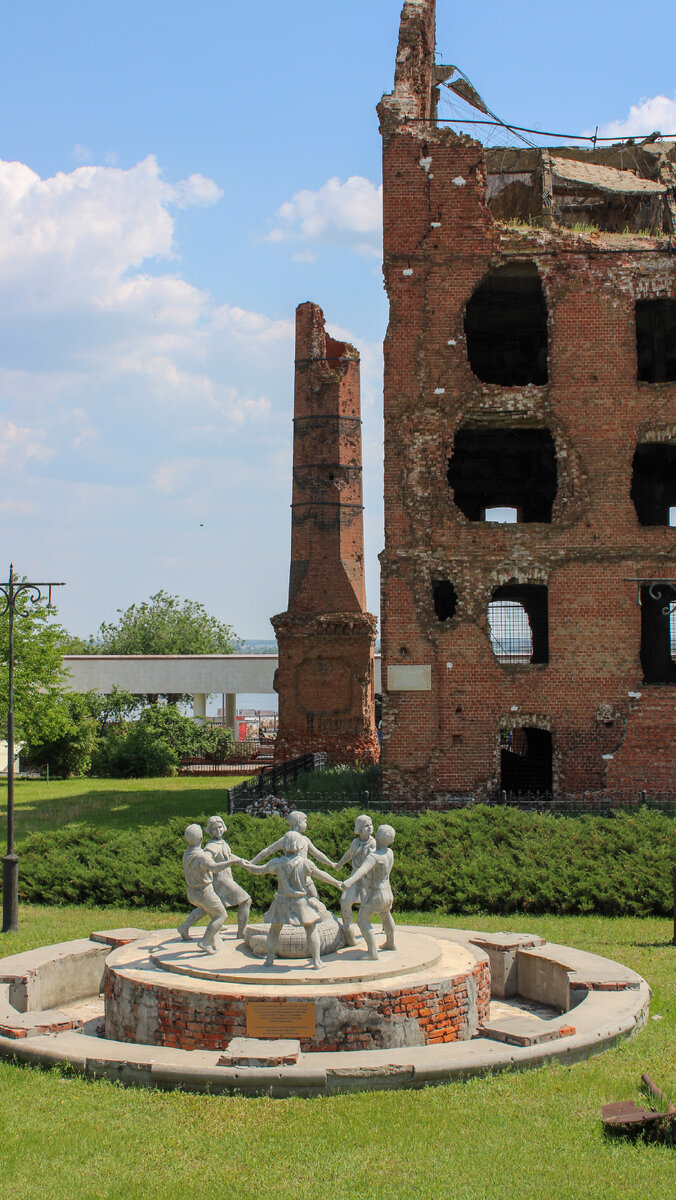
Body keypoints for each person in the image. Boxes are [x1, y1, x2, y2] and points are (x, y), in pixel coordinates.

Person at [240, 831, 343, 968]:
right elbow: (321, 875)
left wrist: (246, 865)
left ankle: (269, 960)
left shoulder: (276, 863)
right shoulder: (305, 863)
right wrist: (337, 883)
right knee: (311, 929)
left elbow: (258, 870)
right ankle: (317, 961)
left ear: (284, 846)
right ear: (300, 847)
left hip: (281, 902)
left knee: (274, 930)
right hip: (300, 902)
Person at [177, 823, 239, 955]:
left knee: (205, 909)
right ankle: (205, 941)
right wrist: (230, 862)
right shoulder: (202, 856)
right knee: (221, 915)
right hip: (205, 891)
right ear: (201, 839)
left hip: (191, 892)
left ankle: (184, 927)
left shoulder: (187, 853)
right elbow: (214, 867)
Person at [251, 810, 336, 900]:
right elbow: (268, 851)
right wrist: (253, 862)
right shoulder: (287, 839)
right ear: (299, 823)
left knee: (314, 898)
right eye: (305, 822)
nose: (306, 825)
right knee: (312, 898)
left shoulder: (303, 839)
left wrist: (331, 863)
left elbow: (318, 854)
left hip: (305, 875)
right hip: (293, 875)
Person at [341, 824, 396, 961]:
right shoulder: (389, 853)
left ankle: (372, 953)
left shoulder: (374, 857)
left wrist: (348, 882)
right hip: (388, 891)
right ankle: (390, 943)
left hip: (376, 893)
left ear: (378, 837)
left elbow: (362, 871)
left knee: (362, 920)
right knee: (385, 915)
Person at [203, 814, 251, 939]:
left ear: (224, 827)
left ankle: (186, 926)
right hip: (222, 881)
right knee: (246, 900)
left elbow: (228, 856)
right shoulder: (212, 846)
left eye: (220, 827)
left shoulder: (221, 842)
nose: (218, 830)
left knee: (207, 908)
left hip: (226, 878)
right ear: (209, 830)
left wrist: (241, 861)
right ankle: (241, 932)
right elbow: (206, 858)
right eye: (214, 828)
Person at [334, 814, 376, 946]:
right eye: (365, 826)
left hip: (367, 878)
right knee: (345, 900)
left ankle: (374, 931)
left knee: (368, 906)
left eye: (370, 825)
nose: (369, 828)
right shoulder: (355, 842)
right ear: (359, 828)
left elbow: (371, 861)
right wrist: (339, 864)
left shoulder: (373, 843)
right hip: (354, 876)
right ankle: (348, 930)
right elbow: (349, 854)